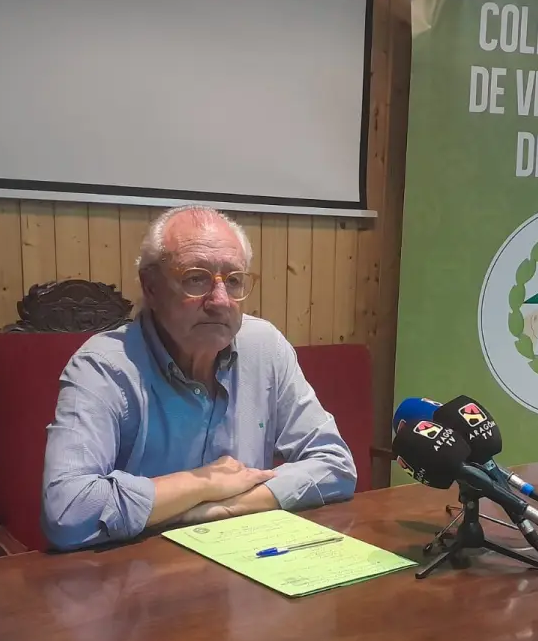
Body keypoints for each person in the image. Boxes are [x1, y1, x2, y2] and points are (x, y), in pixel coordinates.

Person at [40, 204, 357, 550]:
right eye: (196, 279)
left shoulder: (264, 346)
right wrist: (203, 483)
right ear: (151, 287)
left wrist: (219, 508)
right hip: (141, 570)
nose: (220, 300)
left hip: (249, 559)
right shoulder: (102, 366)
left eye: (233, 281)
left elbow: (335, 464)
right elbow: (67, 511)